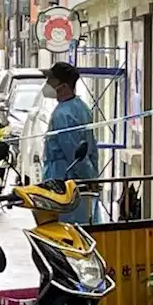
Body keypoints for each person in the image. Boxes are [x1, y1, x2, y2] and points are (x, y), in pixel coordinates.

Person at [41, 62, 100, 224]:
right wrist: (92, 178)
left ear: (63, 86)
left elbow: (75, 155)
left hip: (64, 179)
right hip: (78, 179)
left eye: (51, 81)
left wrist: (87, 180)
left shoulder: (63, 115)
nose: (47, 85)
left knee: (67, 229)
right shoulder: (81, 107)